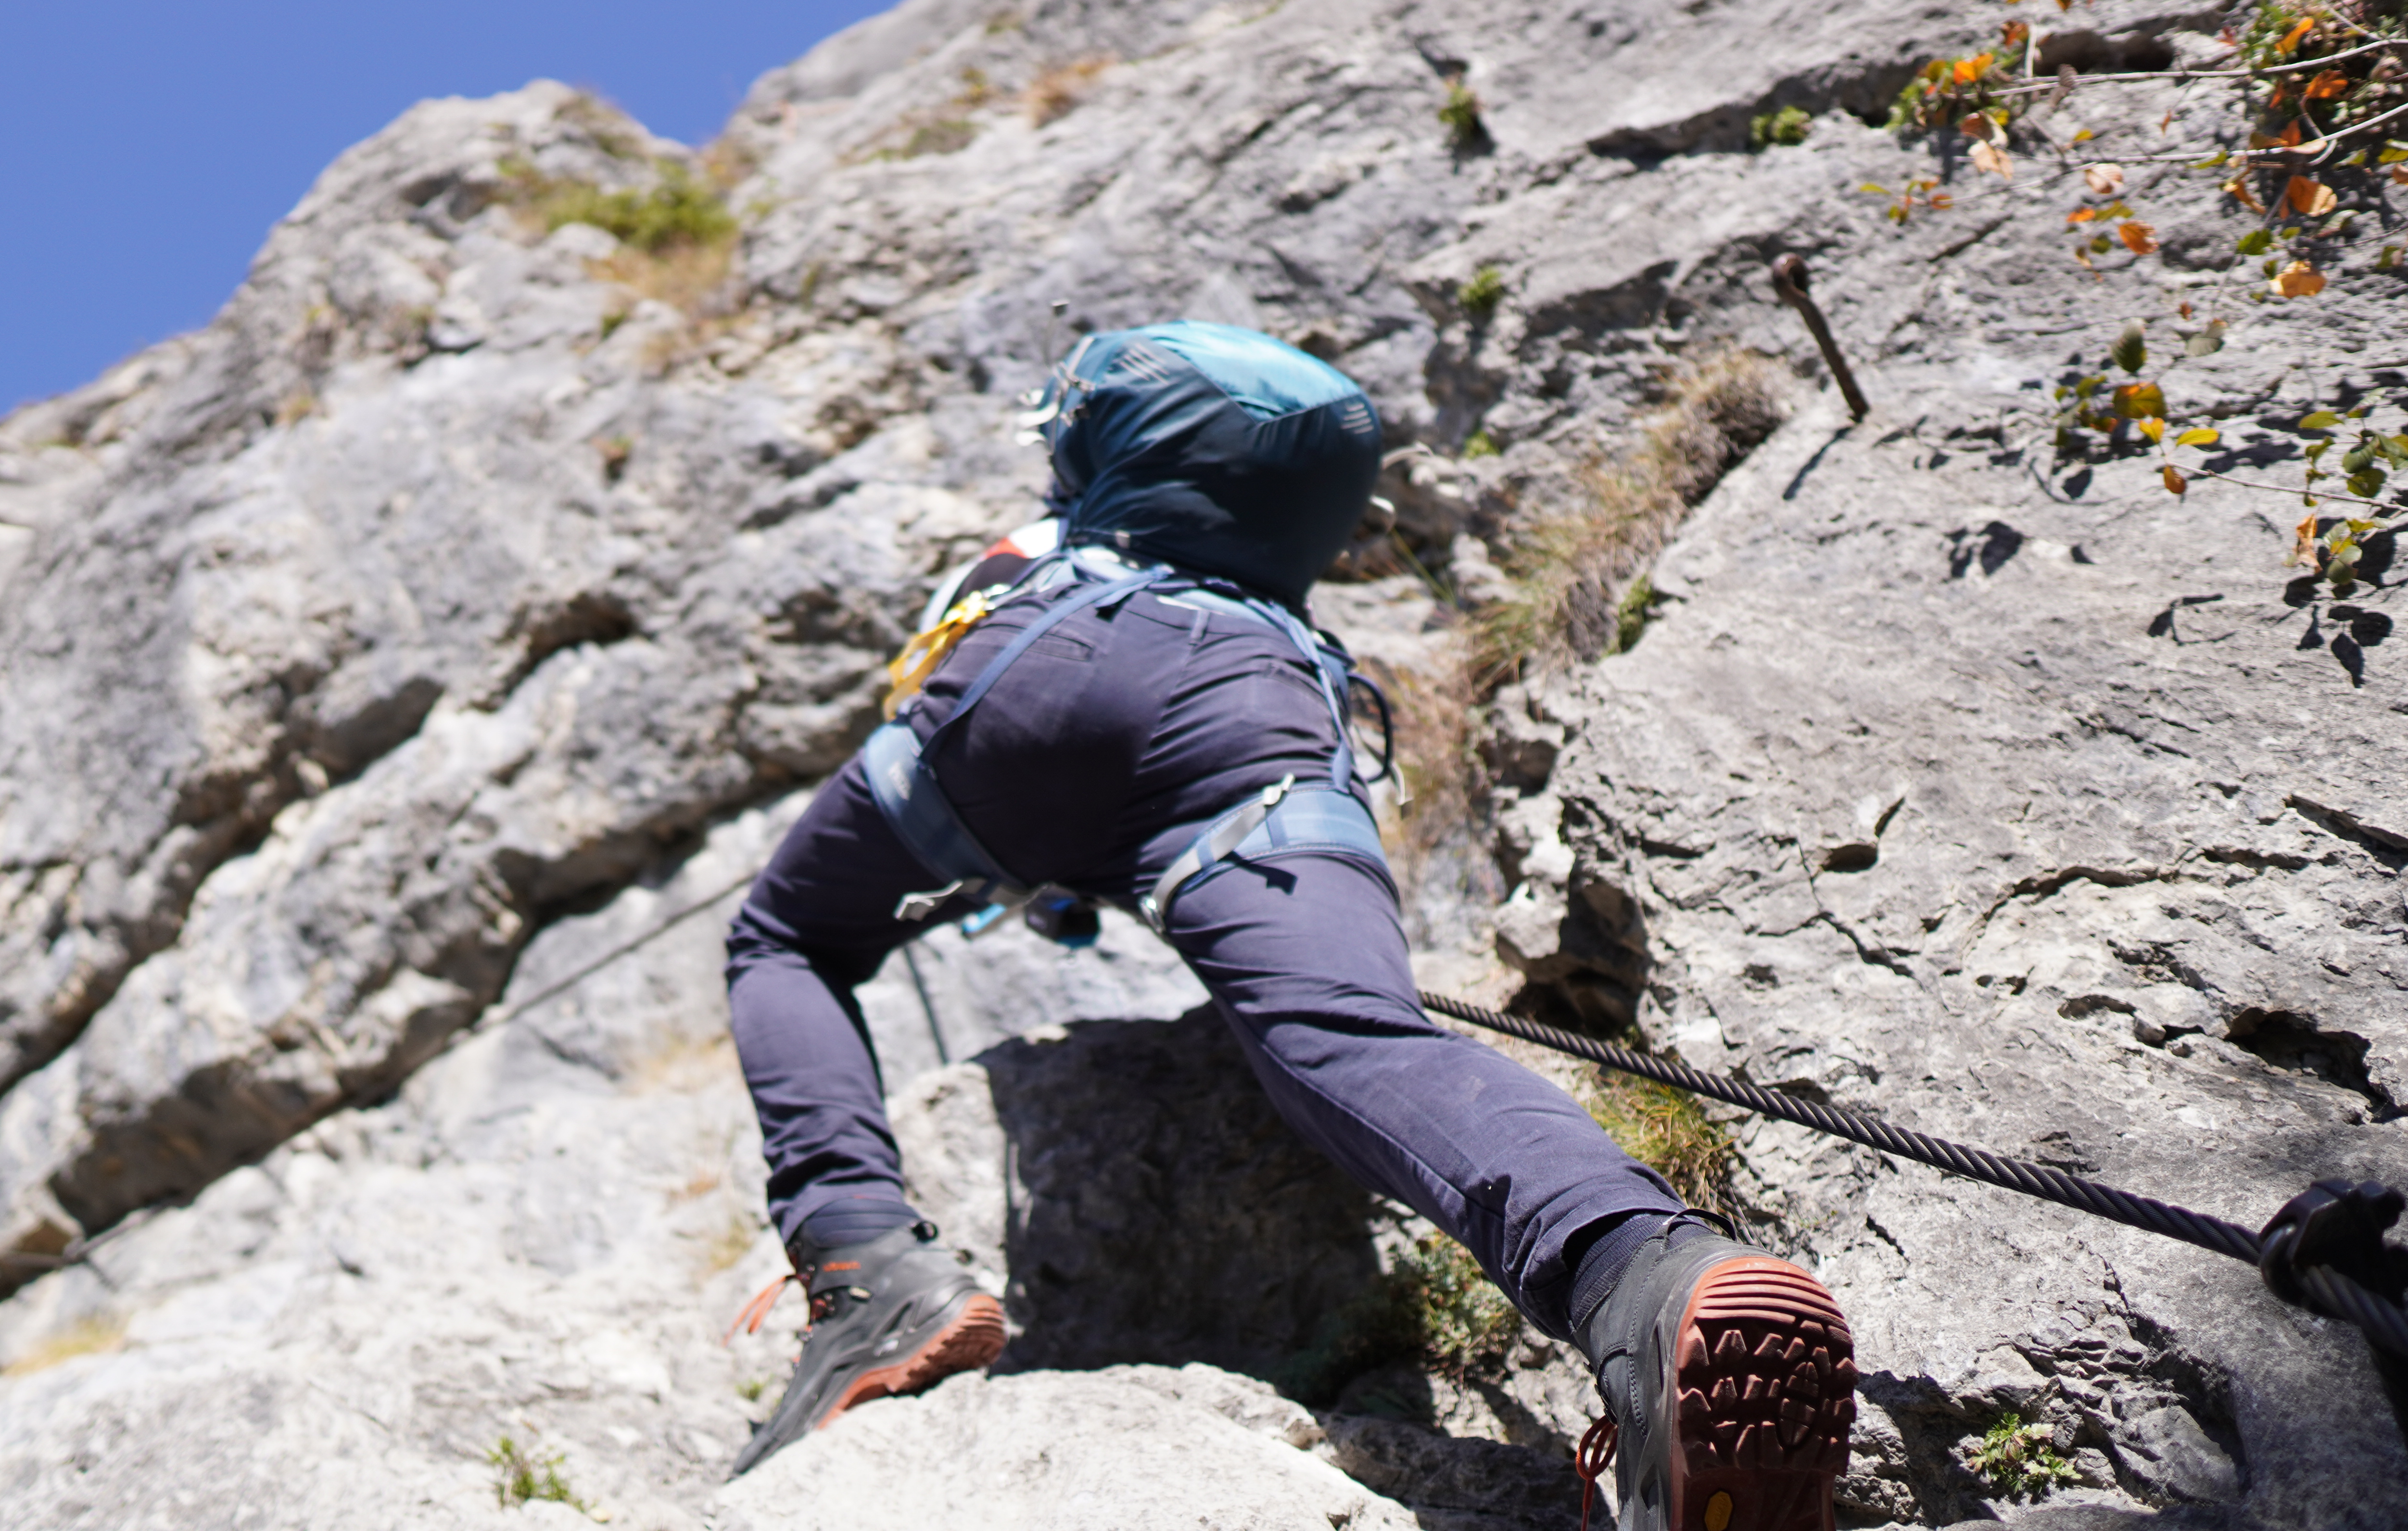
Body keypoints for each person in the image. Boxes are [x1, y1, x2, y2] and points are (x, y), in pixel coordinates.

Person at [721, 322, 1855, 1531]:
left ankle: (861, 1263)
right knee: (1353, 1031)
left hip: (1044, 671)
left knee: (784, 938)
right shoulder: (1273, 609)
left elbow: (1001, 733)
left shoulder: (1035, 552)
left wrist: (1030, 853)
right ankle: (1648, 1276)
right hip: (1260, 712)